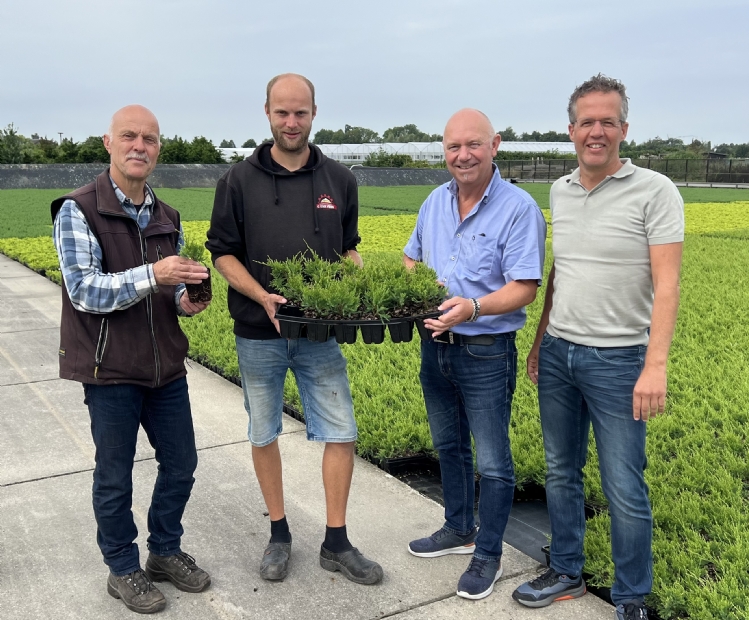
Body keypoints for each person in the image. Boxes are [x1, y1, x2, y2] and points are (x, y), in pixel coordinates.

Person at [510, 75, 684, 620]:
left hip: (619, 360)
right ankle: (566, 570)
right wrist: (540, 342)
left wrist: (654, 366)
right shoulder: (561, 190)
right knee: (561, 471)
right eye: (587, 121)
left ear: (624, 128)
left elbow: (669, 284)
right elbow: (562, 271)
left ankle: (632, 597)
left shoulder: (655, 191)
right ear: (571, 130)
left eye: (608, 121)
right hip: (561, 352)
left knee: (623, 485)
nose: (597, 131)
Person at [206, 73, 382, 586]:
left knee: (341, 431)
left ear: (314, 113)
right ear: (267, 112)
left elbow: (349, 246)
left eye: (300, 113)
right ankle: (279, 533)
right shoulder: (237, 181)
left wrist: (357, 277)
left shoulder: (339, 180)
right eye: (282, 112)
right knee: (264, 431)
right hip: (257, 334)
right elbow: (222, 253)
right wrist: (260, 296)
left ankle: (336, 540)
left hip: (320, 335)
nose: (291, 122)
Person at [51, 105, 212, 614]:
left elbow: (166, 298)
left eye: (150, 138)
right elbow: (84, 292)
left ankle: (163, 550)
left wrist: (187, 299)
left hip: (165, 368)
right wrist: (154, 274)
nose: (139, 146)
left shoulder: (168, 216)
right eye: (129, 136)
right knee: (115, 474)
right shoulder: (78, 209)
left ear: (159, 148)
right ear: (108, 143)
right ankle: (122, 567)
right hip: (109, 370)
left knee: (182, 463)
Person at [403, 108, 547, 600]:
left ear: (495, 145)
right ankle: (458, 527)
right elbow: (411, 256)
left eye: (473, 145)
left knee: (493, 460)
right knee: (448, 446)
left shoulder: (518, 208)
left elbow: (525, 286)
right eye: (452, 147)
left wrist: (474, 307)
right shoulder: (433, 203)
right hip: (436, 347)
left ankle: (488, 553)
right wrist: (419, 284)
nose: (462, 155)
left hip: (486, 350)